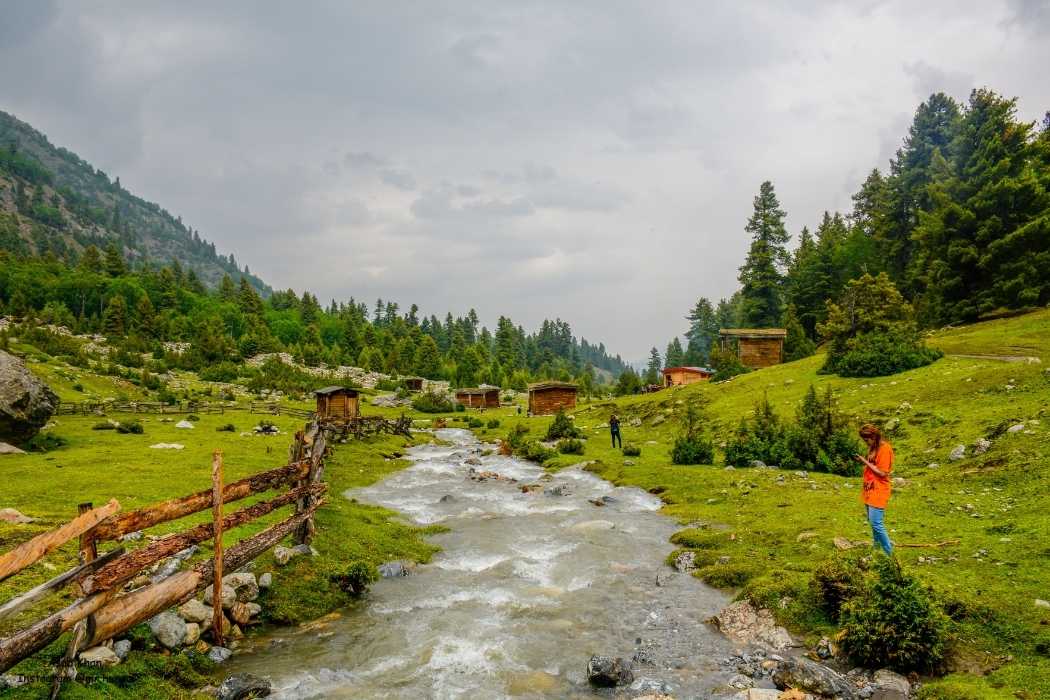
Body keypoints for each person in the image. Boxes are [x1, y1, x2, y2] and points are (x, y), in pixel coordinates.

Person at [855, 423, 894, 555]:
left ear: (874, 436)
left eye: (867, 440)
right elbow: (872, 466)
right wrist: (864, 461)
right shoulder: (873, 448)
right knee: (873, 523)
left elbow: (882, 472)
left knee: (876, 523)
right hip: (869, 489)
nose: (866, 443)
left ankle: (890, 554)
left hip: (879, 490)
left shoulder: (885, 449)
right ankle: (876, 551)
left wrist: (864, 461)